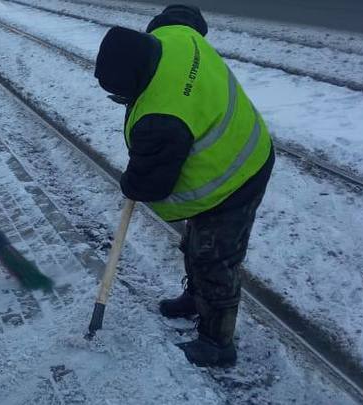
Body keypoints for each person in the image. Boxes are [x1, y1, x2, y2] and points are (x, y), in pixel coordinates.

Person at [94, 5, 275, 367]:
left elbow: (149, 185)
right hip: (236, 142)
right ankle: (196, 298)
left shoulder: (162, 116)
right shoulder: (170, 35)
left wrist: (130, 180)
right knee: (194, 243)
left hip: (237, 175)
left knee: (214, 259)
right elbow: (185, 14)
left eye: (123, 96)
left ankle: (217, 344)